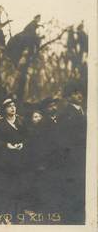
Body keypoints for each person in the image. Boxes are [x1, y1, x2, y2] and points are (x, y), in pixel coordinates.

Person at [57, 82, 86, 223]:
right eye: (75, 93)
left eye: (79, 92)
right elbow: (62, 139)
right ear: (68, 97)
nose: (79, 95)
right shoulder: (65, 114)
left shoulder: (84, 110)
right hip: (72, 156)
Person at [0, 98, 27, 214]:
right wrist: (7, 145)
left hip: (21, 158)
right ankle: (7, 211)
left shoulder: (22, 121)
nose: (13, 108)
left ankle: (20, 211)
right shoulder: (0, 124)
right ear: (4, 109)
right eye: (9, 106)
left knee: (21, 184)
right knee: (8, 185)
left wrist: (23, 144)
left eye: (14, 105)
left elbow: (29, 137)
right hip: (6, 159)